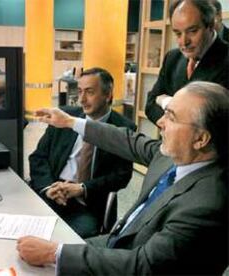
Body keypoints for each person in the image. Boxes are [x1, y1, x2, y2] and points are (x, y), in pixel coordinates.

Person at [17, 81, 228, 275]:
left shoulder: (207, 203)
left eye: (171, 117)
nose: (160, 122)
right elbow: (127, 140)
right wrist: (71, 122)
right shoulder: (172, 156)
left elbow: (144, 265)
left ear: (201, 138)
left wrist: (54, 253)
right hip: (114, 246)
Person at [29, 68, 136, 238]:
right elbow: (38, 157)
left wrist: (82, 188)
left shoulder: (123, 128)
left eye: (89, 92)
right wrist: (49, 187)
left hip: (85, 202)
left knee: (72, 240)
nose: (82, 99)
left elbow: (121, 176)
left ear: (108, 95)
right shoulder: (64, 117)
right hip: (53, 190)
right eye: (79, 92)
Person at [145, 0, 229, 125]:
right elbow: (150, 104)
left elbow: (215, 122)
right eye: (178, 33)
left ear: (210, 25)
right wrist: (170, 123)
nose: (184, 42)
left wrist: (166, 102)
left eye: (192, 31)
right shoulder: (172, 58)